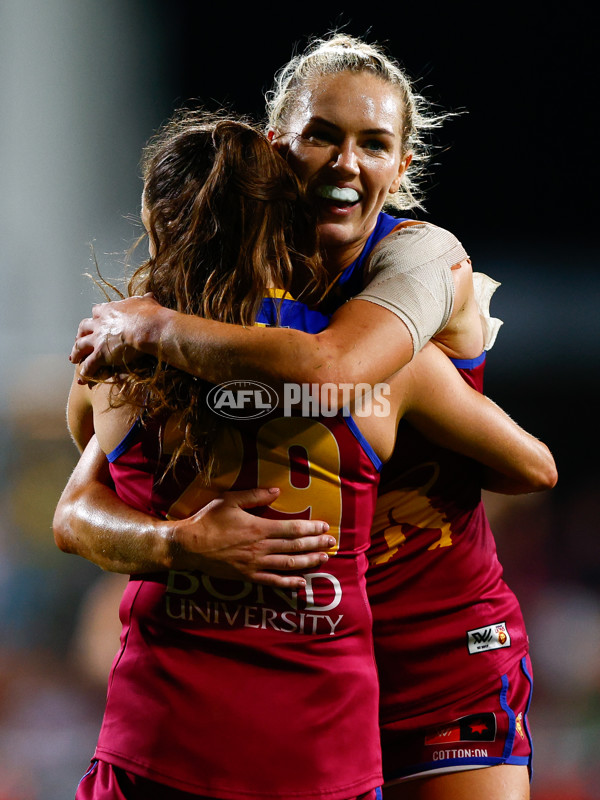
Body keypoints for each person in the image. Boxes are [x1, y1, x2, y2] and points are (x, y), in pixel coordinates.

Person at [61, 34, 557, 799]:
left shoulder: (422, 260)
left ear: (402, 167)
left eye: (374, 144)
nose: (345, 162)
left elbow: (336, 371)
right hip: (305, 646)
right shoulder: (221, 297)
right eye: (321, 135)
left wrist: (150, 326)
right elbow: (81, 503)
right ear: (273, 148)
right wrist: (176, 541)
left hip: (435, 636)